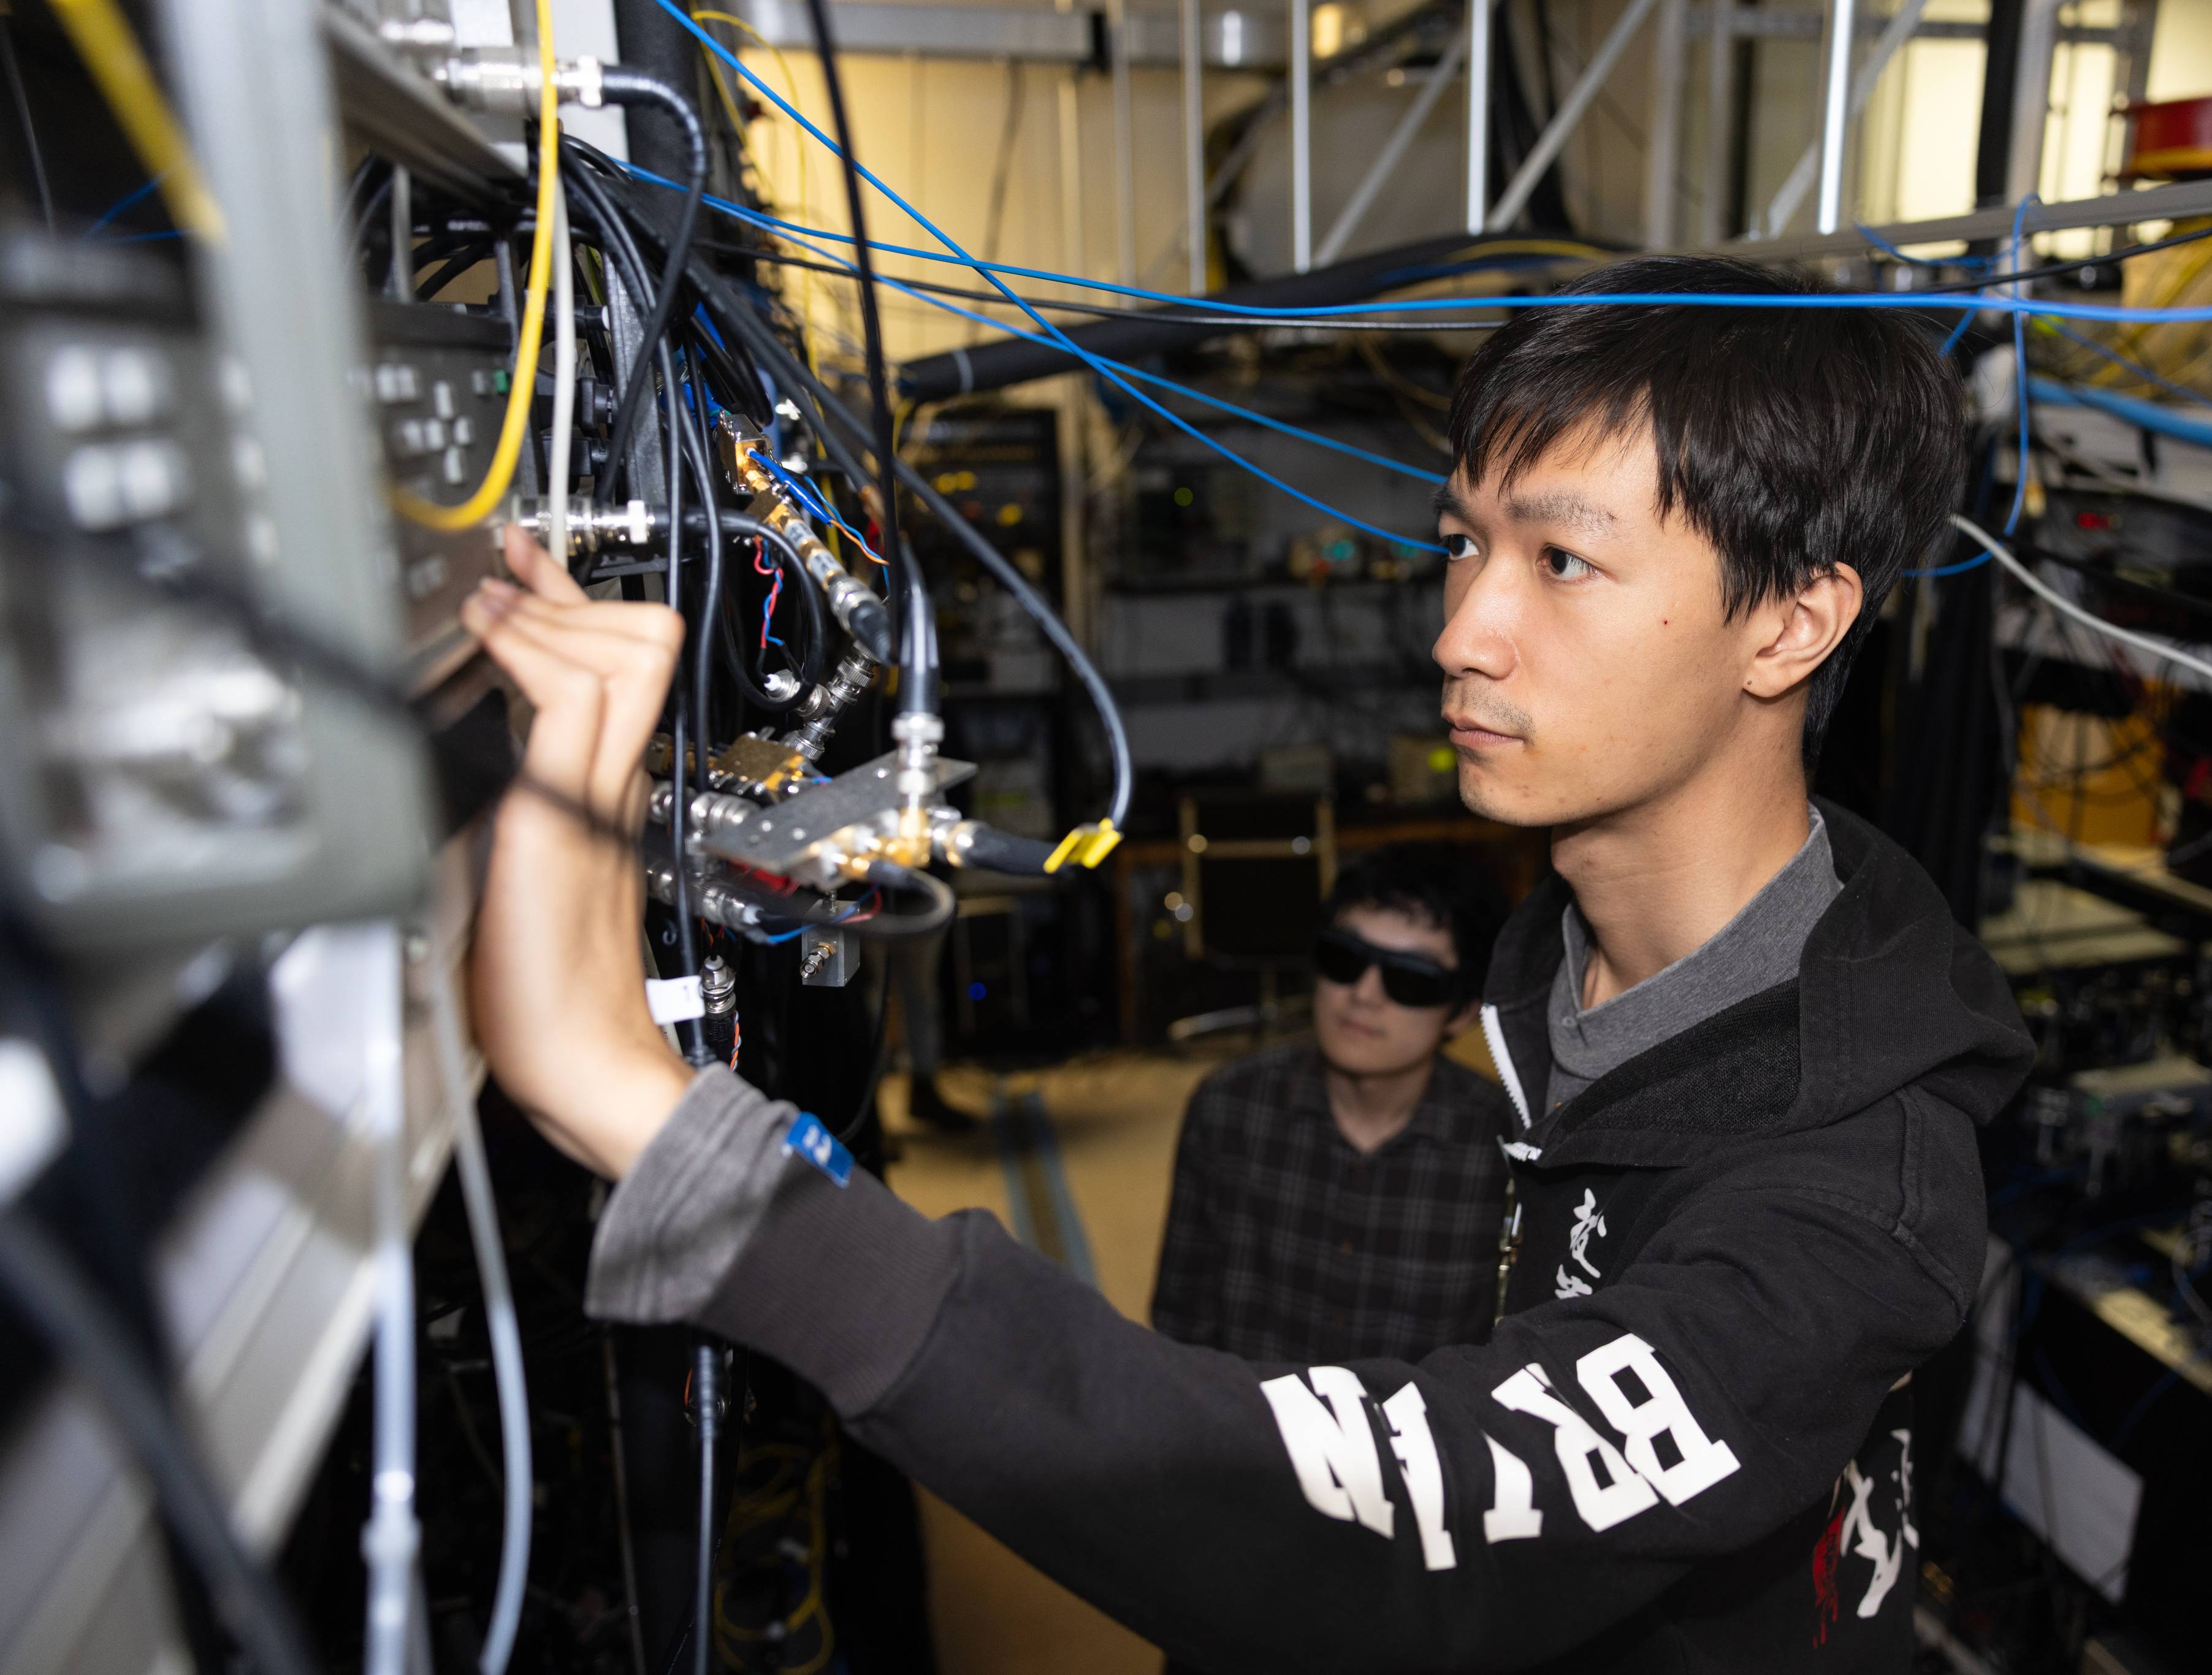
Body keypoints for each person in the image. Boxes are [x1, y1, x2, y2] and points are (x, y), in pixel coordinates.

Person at [463, 254, 2033, 1674]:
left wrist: (649, 1114)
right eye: (1462, 544)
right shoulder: (1569, 966)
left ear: (1793, 627)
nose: (1462, 632)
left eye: (1561, 563)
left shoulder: (1854, 1190)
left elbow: (1394, 1524)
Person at [1153, 845, 1516, 1365]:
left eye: (1410, 978)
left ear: (1462, 1012)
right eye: (1344, 959)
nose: (1364, 994)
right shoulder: (1228, 1108)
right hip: (1252, 1434)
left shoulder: (1505, 1145)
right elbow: (1180, 1324)